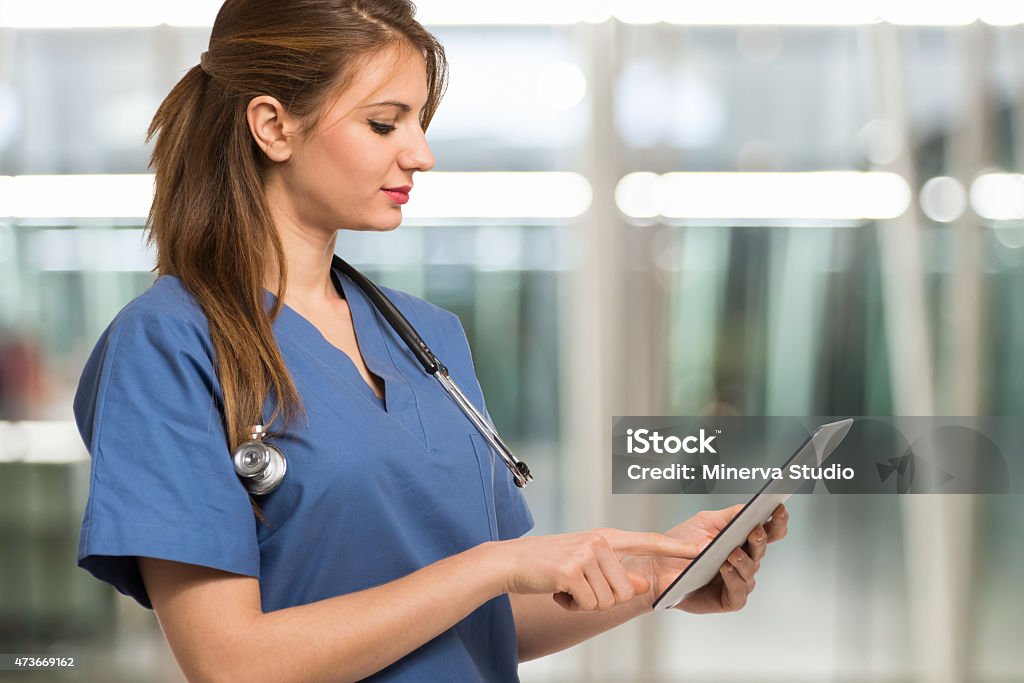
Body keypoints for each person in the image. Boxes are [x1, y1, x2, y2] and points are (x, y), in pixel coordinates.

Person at [72, 1, 789, 681]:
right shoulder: (168, 345)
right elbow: (232, 662)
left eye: (420, 120)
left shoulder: (426, 339)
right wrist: (493, 564)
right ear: (273, 126)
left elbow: (483, 620)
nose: (422, 153)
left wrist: (660, 576)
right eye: (386, 124)